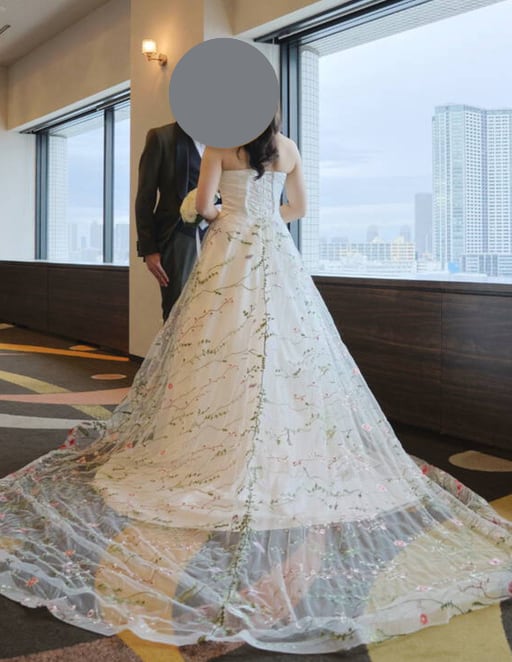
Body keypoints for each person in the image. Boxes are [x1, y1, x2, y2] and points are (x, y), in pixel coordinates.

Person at [0, 117, 511, 655]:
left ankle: (214, 434)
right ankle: (283, 438)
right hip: (274, 251)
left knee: (218, 341)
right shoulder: (288, 147)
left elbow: (203, 207)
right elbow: (299, 208)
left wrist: (227, 215)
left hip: (228, 251)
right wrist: (264, 219)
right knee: (288, 344)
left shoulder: (222, 146)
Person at [135, 121, 205, 321]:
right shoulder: (161, 137)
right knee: (177, 311)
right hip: (177, 240)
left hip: (215, 237)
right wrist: (149, 249)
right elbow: (145, 197)